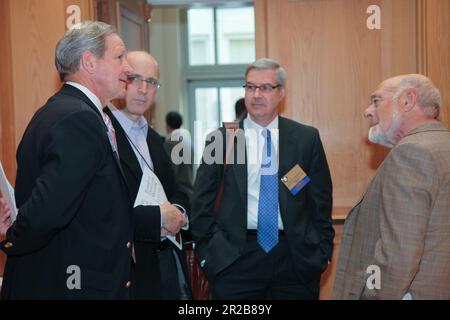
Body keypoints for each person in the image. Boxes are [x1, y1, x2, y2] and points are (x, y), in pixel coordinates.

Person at [0, 21, 135, 299]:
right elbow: (48, 211)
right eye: (119, 57)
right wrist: (14, 235)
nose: (128, 68)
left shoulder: (66, 111)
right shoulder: (78, 119)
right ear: (89, 62)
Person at [191, 58, 334, 299]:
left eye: (265, 87)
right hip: (235, 260)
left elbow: (320, 203)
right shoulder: (223, 139)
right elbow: (200, 205)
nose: (256, 95)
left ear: (281, 93)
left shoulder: (305, 139)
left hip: (295, 259)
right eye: (250, 87)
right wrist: (211, 256)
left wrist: (322, 253)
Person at [333, 74, 450, 300]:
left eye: (376, 101)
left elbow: (398, 256)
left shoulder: (412, 153)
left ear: (408, 100)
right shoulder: (441, 145)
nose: (368, 111)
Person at [104, 51, 191, 300]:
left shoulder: (155, 139)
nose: (143, 89)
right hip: (123, 270)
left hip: (162, 264)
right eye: (134, 79)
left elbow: (179, 190)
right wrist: (157, 217)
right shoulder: (101, 131)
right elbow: (102, 210)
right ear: (121, 79)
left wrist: (178, 212)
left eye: (151, 82)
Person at [164, 111, 194, 201]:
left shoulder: (169, 144)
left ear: (167, 125)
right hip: (190, 190)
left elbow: (169, 172)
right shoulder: (187, 142)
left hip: (177, 193)